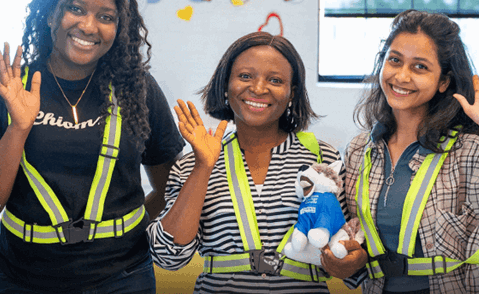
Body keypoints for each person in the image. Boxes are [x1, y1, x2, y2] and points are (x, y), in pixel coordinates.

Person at [0, 0, 184, 293]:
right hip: (26, 278)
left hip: (124, 278)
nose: (89, 26)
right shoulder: (6, 84)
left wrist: (127, 228)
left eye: (106, 16)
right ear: (50, 14)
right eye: (75, 9)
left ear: (119, 28)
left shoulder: (138, 89)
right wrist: (18, 129)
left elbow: (171, 188)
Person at [322, 9, 479, 294]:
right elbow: (355, 238)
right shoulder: (360, 150)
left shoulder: (467, 151)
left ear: (443, 81)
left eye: (420, 67)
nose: (401, 76)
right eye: (394, 60)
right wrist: (345, 264)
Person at [148, 31, 360, 293]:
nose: (259, 88)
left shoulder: (323, 159)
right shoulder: (191, 164)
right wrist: (203, 167)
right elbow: (168, 258)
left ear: (291, 93)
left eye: (275, 80)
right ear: (226, 84)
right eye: (245, 76)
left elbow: (348, 246)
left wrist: (351, 259)